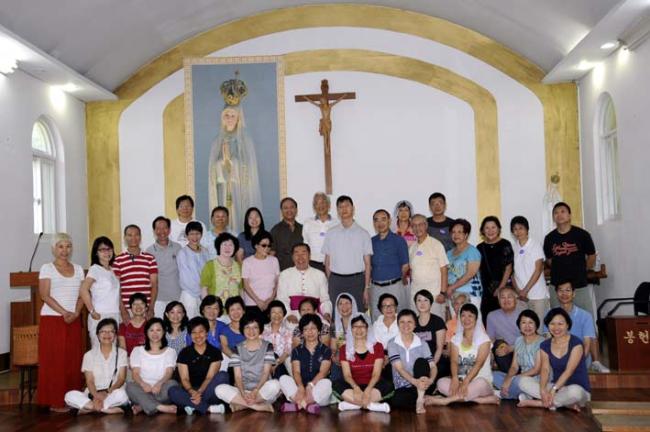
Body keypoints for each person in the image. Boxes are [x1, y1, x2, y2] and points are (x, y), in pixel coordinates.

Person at [38, 233, 84, 411]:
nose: (65, 250)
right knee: (55, 361)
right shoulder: (47, 268)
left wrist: (76, 312)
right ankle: (55, 401)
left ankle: (72, 399)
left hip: (73, 319)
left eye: (68, 246)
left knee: (72, 361)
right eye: (60, 246)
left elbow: (82, 295)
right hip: (53, 320)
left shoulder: (78, 269)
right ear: (53, 248)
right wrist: (64, 312)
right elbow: (44, 295)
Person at [208, 82, 262, 234]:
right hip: (223, 187)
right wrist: (221, 162)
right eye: (226, 115)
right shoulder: (217, 141)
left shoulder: (245, 139)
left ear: (239, 118)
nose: (229, 118)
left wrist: (232, 162)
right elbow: (212, 169)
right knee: (223, 211)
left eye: (233, 115)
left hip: (239, 188)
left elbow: (248, 167)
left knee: (238, 216)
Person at [518, 308, 591, 411]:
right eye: (552, 324)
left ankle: (541, 403)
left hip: (578, 390)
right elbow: (545, 370)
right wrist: (543, 390)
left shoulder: (576, 343)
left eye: (560, 324)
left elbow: (569, 371)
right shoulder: (545, 345)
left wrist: (553, 390)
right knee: (523, 381)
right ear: (548, 325)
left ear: (567, 325)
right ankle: (563, 403)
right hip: (557, 388)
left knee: (575, 392)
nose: (556, 328)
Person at [433, 303, 498, 406]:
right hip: (460, 381)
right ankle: (481, 400)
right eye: (463, 315)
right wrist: (454, 378)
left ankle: (444, 401)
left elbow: (478, 364)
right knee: (440, 383)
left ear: (476, 319)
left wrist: (466, 382)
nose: (466, 319)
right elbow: (454, 361)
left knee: (480, 383)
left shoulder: (484, 339)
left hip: (480, 382)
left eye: (470, 316)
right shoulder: (455, 339)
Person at [215, 314, 281, 412]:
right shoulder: (237, 349)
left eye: (255, 327)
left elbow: (266, 373)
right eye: (247, 327)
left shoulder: (268, 346)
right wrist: (242, 393)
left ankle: (241, 405)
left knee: (275, 385)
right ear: (242, 329)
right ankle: (258, 406)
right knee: (219, 389)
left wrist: (256, 390)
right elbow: (237, 376)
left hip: (261, 390)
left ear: (260, 329)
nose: (251, 331)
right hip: (243, 391)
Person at [543, 202, 597, 317]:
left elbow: (592, 256)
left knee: (586, 317)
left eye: (563, 211)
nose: (559, 215)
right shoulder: (549, 238)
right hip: (557, 287)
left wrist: (582, 270)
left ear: (569, 215)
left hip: (579, 285)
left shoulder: (583, 235)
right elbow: (549, 260)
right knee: (558, 319)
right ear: (553, 217)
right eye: (556, 213)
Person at [64, 318, 128, 414]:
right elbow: (89, 380)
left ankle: (90, 408)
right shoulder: (89, 355)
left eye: (111, 331)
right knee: (69, 396)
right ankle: (105, 409)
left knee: (122, 395)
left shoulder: (122, 353)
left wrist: (107, 393)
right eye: (103, 331)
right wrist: (96, 396)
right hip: (93, 393)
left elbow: (121, 379)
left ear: (115, 335)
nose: (107, 334)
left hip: (112, 392)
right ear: (97, 335)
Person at [168, 317, 229, 415]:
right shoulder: (184, 353)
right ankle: (208, 408)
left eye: (201, 332)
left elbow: (209, 377)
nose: (198, 336)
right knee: (172, 391)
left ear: (207, 333)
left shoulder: (215, 352)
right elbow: (184, 379)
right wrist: (192, 392)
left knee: (223, 375)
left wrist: (199, 393)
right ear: (190, 335)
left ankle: (193, 406)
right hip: (190, 391)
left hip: (209, 390)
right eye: (194, 332)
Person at [322, 195, 373, 311]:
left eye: (347, 206)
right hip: (336, 281)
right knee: (336, 313)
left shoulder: (363, 234)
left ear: (353, 209)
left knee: (357, 314)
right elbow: (327, 261)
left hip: (356, 281)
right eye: (340, 207)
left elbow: (367, 264)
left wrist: (366, 288)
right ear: (337, 210)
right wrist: (331, 281)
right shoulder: (331, 233)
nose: (344, 209)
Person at [334, 314, 392, 412]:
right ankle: (371, 405)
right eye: (355, 326)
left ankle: (354, 404)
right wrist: (356, 388)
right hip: (353, 386)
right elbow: (347, 375)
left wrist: (368, 389)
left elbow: (376, 374)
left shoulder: (378, 347)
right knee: (336, 385)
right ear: (351, 329)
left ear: (367, 328)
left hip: (373, 385)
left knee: (389, 386)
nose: (359, 330)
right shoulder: (344, 349)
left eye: (362, 326)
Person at [280, 314, 333, 414]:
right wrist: (301, 387)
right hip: (300, 391)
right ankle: (307, 405)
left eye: (313, 328)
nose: (310, 332)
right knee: (283, 378)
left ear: (319, 331)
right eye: (306, 329)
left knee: (327, 383)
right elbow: (296, 372)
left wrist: (310, 386)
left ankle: (299, 405)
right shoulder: (296, 350)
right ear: (302, 333)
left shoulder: (326, 350)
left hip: (317, 391)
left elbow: (323, 372)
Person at [387, 309, 437, 414]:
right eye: (402, 322)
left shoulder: (422, 343)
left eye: (409, 322)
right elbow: (399, 369)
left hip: (423, 383)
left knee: (421, 362)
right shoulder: (392, 343)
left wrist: (431, 380)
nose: (406, 325)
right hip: (404, 386)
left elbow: (432, 366)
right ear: (398, 324)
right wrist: (415, 382)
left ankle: (420, 400)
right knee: (396, 401)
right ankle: (427, 398)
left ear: (415, 325)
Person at [126, 318, 178, 415]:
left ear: (164, 332)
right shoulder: (137, 350)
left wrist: (159, 384)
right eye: (151, 330)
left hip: (161, 389)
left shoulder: (170, 351)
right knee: (130, 386)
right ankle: (160, 407)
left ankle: (143, 405)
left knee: (173, 384)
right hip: (142, 388)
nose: (155, 333)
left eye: (158, 330)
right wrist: (143, 384)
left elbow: (169, 372)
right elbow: (135, 373)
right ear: (146, 332)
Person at [551, 281, 607, 371]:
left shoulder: (586, 316)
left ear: (574, 294)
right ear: (556, 294)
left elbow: (587, 344)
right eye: (560, 290)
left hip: (579, 360)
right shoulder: (550, 315)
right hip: (557, 360)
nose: (564, 293)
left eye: (568, 290)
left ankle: (596, 363)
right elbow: (547, 340)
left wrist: (576, 363)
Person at [80, 236, 121, 349]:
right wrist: (91, 310)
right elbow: (83, 289)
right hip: (100, 315)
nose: (107, 252)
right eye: (102, 249)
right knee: (99, 351)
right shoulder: (95, 269)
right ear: (96, 252)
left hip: (114, 315)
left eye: (109, 249)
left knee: (112, 351)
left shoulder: (112, 270)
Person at [493, 310, 544, 400]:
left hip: (535, 380)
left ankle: (506, 394)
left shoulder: (541, 342)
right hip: (520, 377)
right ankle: (521, 395)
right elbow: (514, 367)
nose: (527, 326)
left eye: (530, 322)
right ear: (519, 326)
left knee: (519, 381)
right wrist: (507, 379)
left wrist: (515, 378)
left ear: (536, 325)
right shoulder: (518, 340)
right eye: (523, 323)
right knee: (493, 375)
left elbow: (536, 370)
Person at [277, 243, 332, 325]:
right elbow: (282, 298)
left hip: (314, 314)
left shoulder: (320, 275)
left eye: (303, 253)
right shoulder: (284, 274)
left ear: (309, 256)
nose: (300, 257)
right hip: (293, 314)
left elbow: (325, 299)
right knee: (291, 327)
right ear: (292, 257)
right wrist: (289, 314)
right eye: (296, 254)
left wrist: (326, 313)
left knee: (324, 326)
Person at [369, 209, 409, 320]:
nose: (380, 223)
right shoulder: (370, 241)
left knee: (397, 318)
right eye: (376, 220)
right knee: (376, 319)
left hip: (394, 286)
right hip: (375, 287)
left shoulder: (399, 240)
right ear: (373, 223)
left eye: (383, 219)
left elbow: (405, 265)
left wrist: (400, 279)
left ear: (389, 221)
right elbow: (369, 266)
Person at [113, 224, 158, 321]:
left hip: (145, 309)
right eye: (129, 235)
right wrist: (123, 311)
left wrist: (151, 308)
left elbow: (154, 285)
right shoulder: (118, 260)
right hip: (127, 310)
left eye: (136, 235)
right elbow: (116, 288)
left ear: (140, 237)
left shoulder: (150, 258)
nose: (133, 238)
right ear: (125, 238)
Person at [409, 214, 449, 320]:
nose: (417, 228)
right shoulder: (412, 248)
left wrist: (443, 293)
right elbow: (412, 272)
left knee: (436, 323)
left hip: (435, 295)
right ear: (411, 228)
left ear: (426, 225)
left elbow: (444, 269)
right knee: (417, 324)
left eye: (420, 224)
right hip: (416, 295)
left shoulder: (436, 244)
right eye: (414, 225)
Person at [510, 216, 548, 321]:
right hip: (520, 296)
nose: (518, 232)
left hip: (537, 295)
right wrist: (518, 290)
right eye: (515, 229)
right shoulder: (513, 247)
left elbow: (538, 270)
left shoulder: (535, 245)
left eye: (521, 228)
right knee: (524, 325)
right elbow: (511, 272)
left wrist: (525, 290)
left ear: (527, 229)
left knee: (538, 325)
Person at [477, 216, 514, 321]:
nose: (490, 231)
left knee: (504, 319)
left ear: (499, 229)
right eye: (487, 228)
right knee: (487, 319)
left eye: (493, 227)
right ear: (482, 231)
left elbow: (508, 268)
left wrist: (500, 288)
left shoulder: (505, 244)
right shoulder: (479, 247)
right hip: (486, 291)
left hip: (503, 290)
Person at [146, 216, 182, 318]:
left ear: (169, 230)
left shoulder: (178, 248)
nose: (162, 231)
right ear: (154, 231)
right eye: (158, 228)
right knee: (158, 326)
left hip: (176, 296)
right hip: (158, 298)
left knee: (176, 325)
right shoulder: (149, 251)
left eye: (165, 228)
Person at [242, 230, 280, 322]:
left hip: (270, 304)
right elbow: (246, 285)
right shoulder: (247, 262)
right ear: (256, 245)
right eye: (264, 245)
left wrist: (270, 300)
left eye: (269, 246)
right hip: (252, 304)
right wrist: (258, 301)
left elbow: (277, 283)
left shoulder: (274, 260)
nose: (267, 248)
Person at [446, 219, 483, 311]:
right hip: (453, 294)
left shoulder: (472, 251)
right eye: (453, 232)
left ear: (466, 235)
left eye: (460, 232)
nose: (456, 235)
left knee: (470, 319)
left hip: (470, 294)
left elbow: (470, 274)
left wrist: (451, 287)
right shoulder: (449, 253)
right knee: (455, 319)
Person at [486, 286, 524, 372]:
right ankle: (508, 374)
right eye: (502, 297)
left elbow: (529, 339)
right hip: (504, 350)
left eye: (509, 297)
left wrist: (511, 348)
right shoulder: (492, 316)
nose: (506, 300)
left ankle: (514, 374)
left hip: (521, 349)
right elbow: (490, 338)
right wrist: (489, 353)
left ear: (516, 299)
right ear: (498, 300)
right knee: (499, 344)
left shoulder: (523, 314)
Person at [177, 221, 210, 318]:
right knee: (190, 321)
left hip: (204, 294)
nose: (195, 237)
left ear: (201, 234)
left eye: (197, 233)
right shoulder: (182, 253)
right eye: (191, 234)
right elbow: (186, 277)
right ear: (187, 235)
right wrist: (200, 292)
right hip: (189, 294)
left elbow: (208, 273)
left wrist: (205, 292)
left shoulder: (205, 251)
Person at [413, 290, 448, 379]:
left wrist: (431, 366)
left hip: (436, 360)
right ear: (415, 303)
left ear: (431, 303)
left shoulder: (438, 321)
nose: (422, 303)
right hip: (418, 362)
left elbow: (440, 348)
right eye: (419, 300)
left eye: (426, 300)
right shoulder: (412, 322)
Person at [200, 232, 242, 302]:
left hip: (234, 307)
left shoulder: (238, 266)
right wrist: (208, 306)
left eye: (231, 245)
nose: (227, 248)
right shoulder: (210, 265)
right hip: (216, 307)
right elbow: (204, 289)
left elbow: (241, 289)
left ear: (235, 248)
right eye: (224, 244)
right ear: (218, 246)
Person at [302, 192, 338, 272]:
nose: (320, 206)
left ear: (329, 205)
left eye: (323, 202)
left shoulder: (337, 223)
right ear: (314, 207)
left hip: (333, 264)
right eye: (317, 203)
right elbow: (305, 244)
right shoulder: (308, 223)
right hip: (312, 264)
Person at [270, 197, 304, 271]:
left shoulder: (303, 229)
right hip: (282, 271)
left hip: (301, 270)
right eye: (285, 208)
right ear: (281, 211)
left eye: (292, 207)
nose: (289, 210)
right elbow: (271, 254)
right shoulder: (275, 230)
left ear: (296, 210)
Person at [262, 300, 293, 378]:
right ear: (269, 314)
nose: (277, 315)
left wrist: (276, 362)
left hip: (282, 363)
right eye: (274, 312)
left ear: (283, 314)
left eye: (280, 312)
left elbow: (287, 351)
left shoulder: (288, 332)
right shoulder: (262, 330)